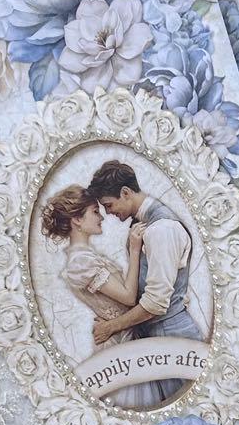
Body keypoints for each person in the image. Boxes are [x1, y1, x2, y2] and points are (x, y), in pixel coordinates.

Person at [85, 160, 204, 401]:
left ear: (125, 193)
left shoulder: (162, 229)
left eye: (109, 205)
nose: (109, 213)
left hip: (173, 339)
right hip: (159, 339)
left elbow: (155, 303)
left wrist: (111, 326)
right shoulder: (143, 224)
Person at [39, 185, 164, 409]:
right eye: (95, 212)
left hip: (124, 337)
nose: (102, 218)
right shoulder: (81, 262)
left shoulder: (86, 256)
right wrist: (135, 250)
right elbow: (128, 297)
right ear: (77, 220)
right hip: (116, 344)